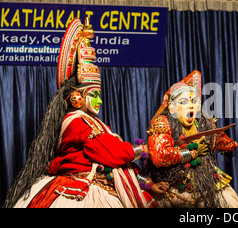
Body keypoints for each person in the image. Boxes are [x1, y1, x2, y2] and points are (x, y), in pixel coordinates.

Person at [3, 17, 165, 208]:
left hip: (101, 181)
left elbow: (115, 169)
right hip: (85, 187)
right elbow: (111, 153)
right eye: (94, 94)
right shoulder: (77, 123)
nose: (100, 100)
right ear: (77, 97)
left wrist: (148, 185)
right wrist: (140, 150)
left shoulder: (88, 121)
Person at [145, 70, 238, 208]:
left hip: (208, 184)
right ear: (172, 107)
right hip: (173, 189)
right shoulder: (162, 122)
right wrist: (192, 152)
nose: (190, 105)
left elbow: (219, 139)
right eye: (184, 102)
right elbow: (159, 156)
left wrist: (231, 146)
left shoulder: (205, 122)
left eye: (194, 101)